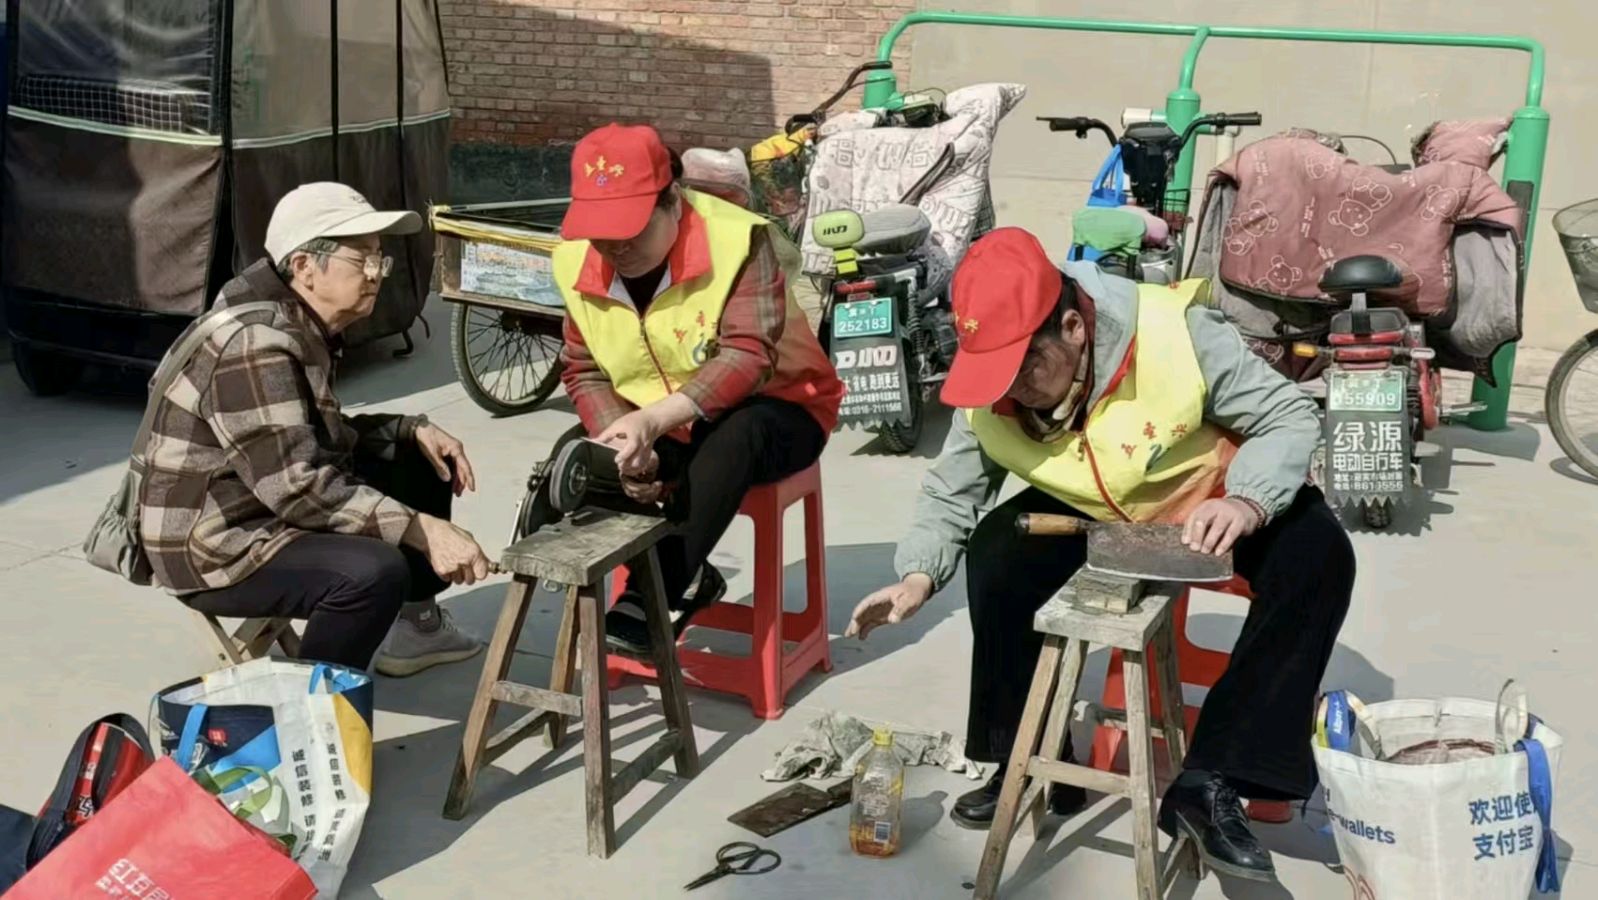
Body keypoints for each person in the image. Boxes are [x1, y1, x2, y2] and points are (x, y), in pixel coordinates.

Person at [846, 228, 1354, 881]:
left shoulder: (1174, 333)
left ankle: (1214, 781)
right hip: (1096, 509)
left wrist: (1246, 501)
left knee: (1318, 555)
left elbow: (1287, 415)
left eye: (1025, 366)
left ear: (1073, 329)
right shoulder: (994, 385)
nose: (1011, 389)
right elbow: (953, 489)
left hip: (1210, 498)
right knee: (997, 550)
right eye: (996, 372)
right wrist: (917, 577)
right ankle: (1035, 760)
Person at [139, 182, 491, 676]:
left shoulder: (299, 320)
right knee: (371, 573)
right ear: (304, 266)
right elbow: (297, 485)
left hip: (257, 501)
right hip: (215, 543)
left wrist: (406, 429)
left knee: (415, 451)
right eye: (362, 259)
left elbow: (304, 435)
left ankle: (417, 629)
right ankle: (312, 707)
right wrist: (420, 529)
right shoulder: (255, 343)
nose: (376, 274)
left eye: (380, 259)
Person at [519, 122, 844, 656]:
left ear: (673, 200)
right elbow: (584, 367)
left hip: (781, 407)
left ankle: (653, 597)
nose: (616, 247)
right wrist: (624, 441)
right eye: (602, 233)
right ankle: (686, 575)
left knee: (735, 437)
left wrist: (655, 421)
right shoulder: (577, 260)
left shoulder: (738, 240)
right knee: (582, 453)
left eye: (630, 229)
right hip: (662, 417)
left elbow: (748, 355)